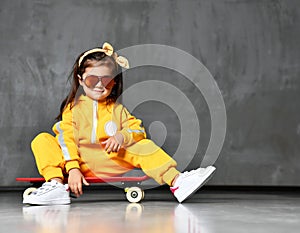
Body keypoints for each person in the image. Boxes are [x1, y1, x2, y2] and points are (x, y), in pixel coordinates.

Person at [23, 42, 216, 205]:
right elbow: (67, 138)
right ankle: (56, 185)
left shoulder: (116, 110)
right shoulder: (73, 109)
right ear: (81, 80)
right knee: (42, 140)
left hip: (110, 161)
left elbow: (138, 128)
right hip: (79, 164)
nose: (100, 85)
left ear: (114, 82)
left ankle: (177, 181)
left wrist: (122, 136)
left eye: (106, 80)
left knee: (142, 145)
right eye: (92, 80)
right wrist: (72, 168)